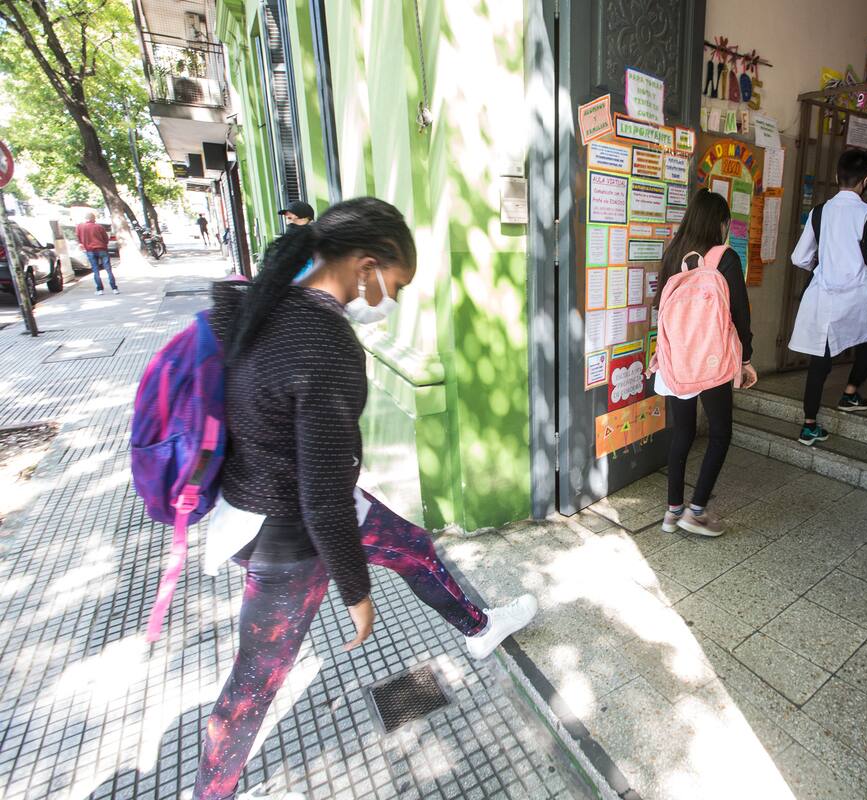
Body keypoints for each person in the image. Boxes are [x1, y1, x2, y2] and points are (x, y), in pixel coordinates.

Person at [196, 197, 537, 800]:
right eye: (395, 284)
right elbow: (324, 497)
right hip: (288, 530)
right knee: (253, 683)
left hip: (250, 507)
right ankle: (210, 791)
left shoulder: (266, 302)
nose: (394, 299)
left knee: (412, 544)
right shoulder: (326, 343)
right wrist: (357, 594)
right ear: (366, 265)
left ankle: (478, 626)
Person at [655, 189, 756, 537]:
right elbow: (740, 313)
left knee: (682, 431)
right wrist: (745, 358)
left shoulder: (673, 255)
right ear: (722, 224)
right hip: (711, 360)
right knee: (720, 432)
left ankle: (672, 512)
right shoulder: (725, 258)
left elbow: (661, 306)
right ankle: (695, 511)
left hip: (676, 359)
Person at [788, 149, 867, 446]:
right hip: (858, 296)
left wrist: (821, 265)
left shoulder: (819, 212)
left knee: (819, 362)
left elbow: (799, 257)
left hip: (823, 295)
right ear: (866, 180)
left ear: (837, 177)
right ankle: (850, 393)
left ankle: (809, 425)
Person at [76, 212, 118, 295]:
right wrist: (103, 244)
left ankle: (99, 289)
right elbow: (106, 238)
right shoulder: (99, 227)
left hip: (90, 250)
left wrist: (84, 244)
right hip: (102, 249)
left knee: (95, 270)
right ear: (93, 218)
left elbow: (78, 238)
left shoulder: (80, 227)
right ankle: (114, 288)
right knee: (108, 270)